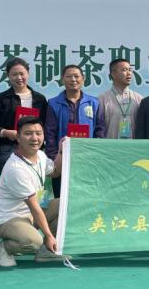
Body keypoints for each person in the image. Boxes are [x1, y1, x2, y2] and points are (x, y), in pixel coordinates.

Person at [0, 116, 66, 267]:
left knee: (64, 206)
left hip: (31, 212)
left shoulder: (41, 156)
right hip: (9, 218)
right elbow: (35, 208)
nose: (34, 138)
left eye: (38, 133)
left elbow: (55, 171)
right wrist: (49, 236)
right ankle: (6, 247)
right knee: (33, 242)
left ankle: (46, 252)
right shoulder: (16, 168)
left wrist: (62, 150)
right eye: (28, 133)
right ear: (18, 137)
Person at [45, 64, 106, 196]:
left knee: (86, 196)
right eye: (69, 76)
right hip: (63, 159)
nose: (73, 79)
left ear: (83, 79)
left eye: (76, 76)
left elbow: (100, 130)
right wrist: (54, 158)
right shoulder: (53, 103)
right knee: (62, 197)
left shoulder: (94, 103)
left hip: (87, 158)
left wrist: (95, 154)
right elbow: (50, 133)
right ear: (62, 80)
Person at [0, 57, 48, 169]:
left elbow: (45, 124)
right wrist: (5, 132)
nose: (19, 77)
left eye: (22, 74)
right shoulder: (1, 99)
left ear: (28, 73)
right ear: (8, 76)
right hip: (9, 148)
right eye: (14, 74)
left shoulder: (39, 99)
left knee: (34, 179)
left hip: (34, 147)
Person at [97, 58, 142, 139]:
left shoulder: (138, 98)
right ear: (113, 74)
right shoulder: (102, 99)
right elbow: (99, 128)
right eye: (124, 70)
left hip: (134, 145)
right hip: (110, 145)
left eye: (130, 70)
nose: (129, 73)